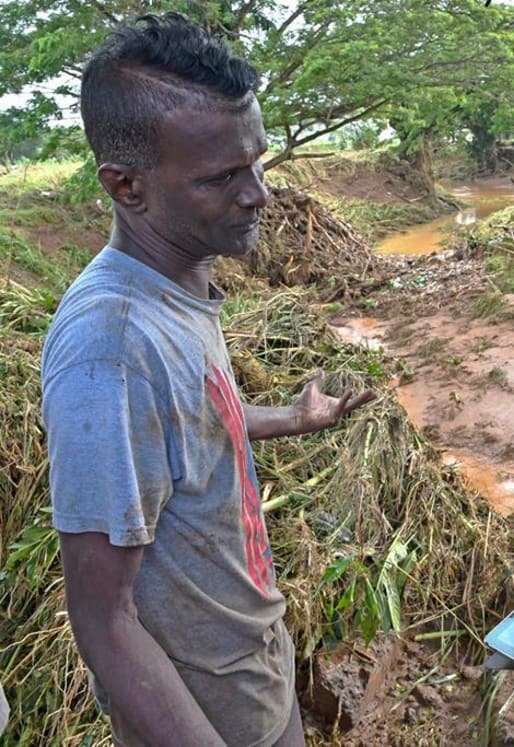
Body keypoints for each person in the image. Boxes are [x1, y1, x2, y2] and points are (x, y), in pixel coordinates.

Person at [41, 13, 375, 746]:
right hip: (204, 713)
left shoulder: (175, 286)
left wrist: (292, 416)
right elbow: (104, 619)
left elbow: (184, 422)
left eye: (257, 163)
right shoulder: (112, 349)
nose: (259, 194)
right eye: (223, 176)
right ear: (126, 186)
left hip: (251, 668)